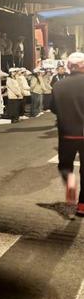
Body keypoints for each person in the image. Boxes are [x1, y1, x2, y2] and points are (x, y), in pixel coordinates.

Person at [51, 52, 84, 217]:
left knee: (65, 165)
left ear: (69, 66)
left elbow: (53, 108)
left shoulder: (58, 85)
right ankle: (82, 205)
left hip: (67, 134)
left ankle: (70, 187)